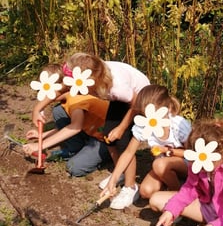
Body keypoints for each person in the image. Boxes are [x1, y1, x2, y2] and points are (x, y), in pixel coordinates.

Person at [31, 52, 150, 186]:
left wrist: (121, 128)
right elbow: (59, 88)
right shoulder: (87, 77)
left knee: (121, 142)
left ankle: (130, 186)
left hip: (141, 100)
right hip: (121, 98)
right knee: (108, 135)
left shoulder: (117, 89)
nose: (68, 88)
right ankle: (119, 172)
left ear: (89, 80)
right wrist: (37, 109)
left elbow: (136, 102)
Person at [23, 64, 130, 178]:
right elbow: (70, 126)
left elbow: (75, 127)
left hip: (106, 140)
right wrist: (43, 135)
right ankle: (77, 148)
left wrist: (40, 146)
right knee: (58, 111)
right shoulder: (68, 99)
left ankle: (106, 156)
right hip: (92, 131)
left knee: (74, 167)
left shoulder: (76, 101)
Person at [100, 84, 191, 206]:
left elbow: (192, 154)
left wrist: (168, 151)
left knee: (159, 164)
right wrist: (113, 180)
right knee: (145, 191)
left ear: (167, 108)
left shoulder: (179, 125)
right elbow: (128, 153)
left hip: (185, 166)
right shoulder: (144, 125)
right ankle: (173, 182)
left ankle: (178, 198)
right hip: (163, 167)